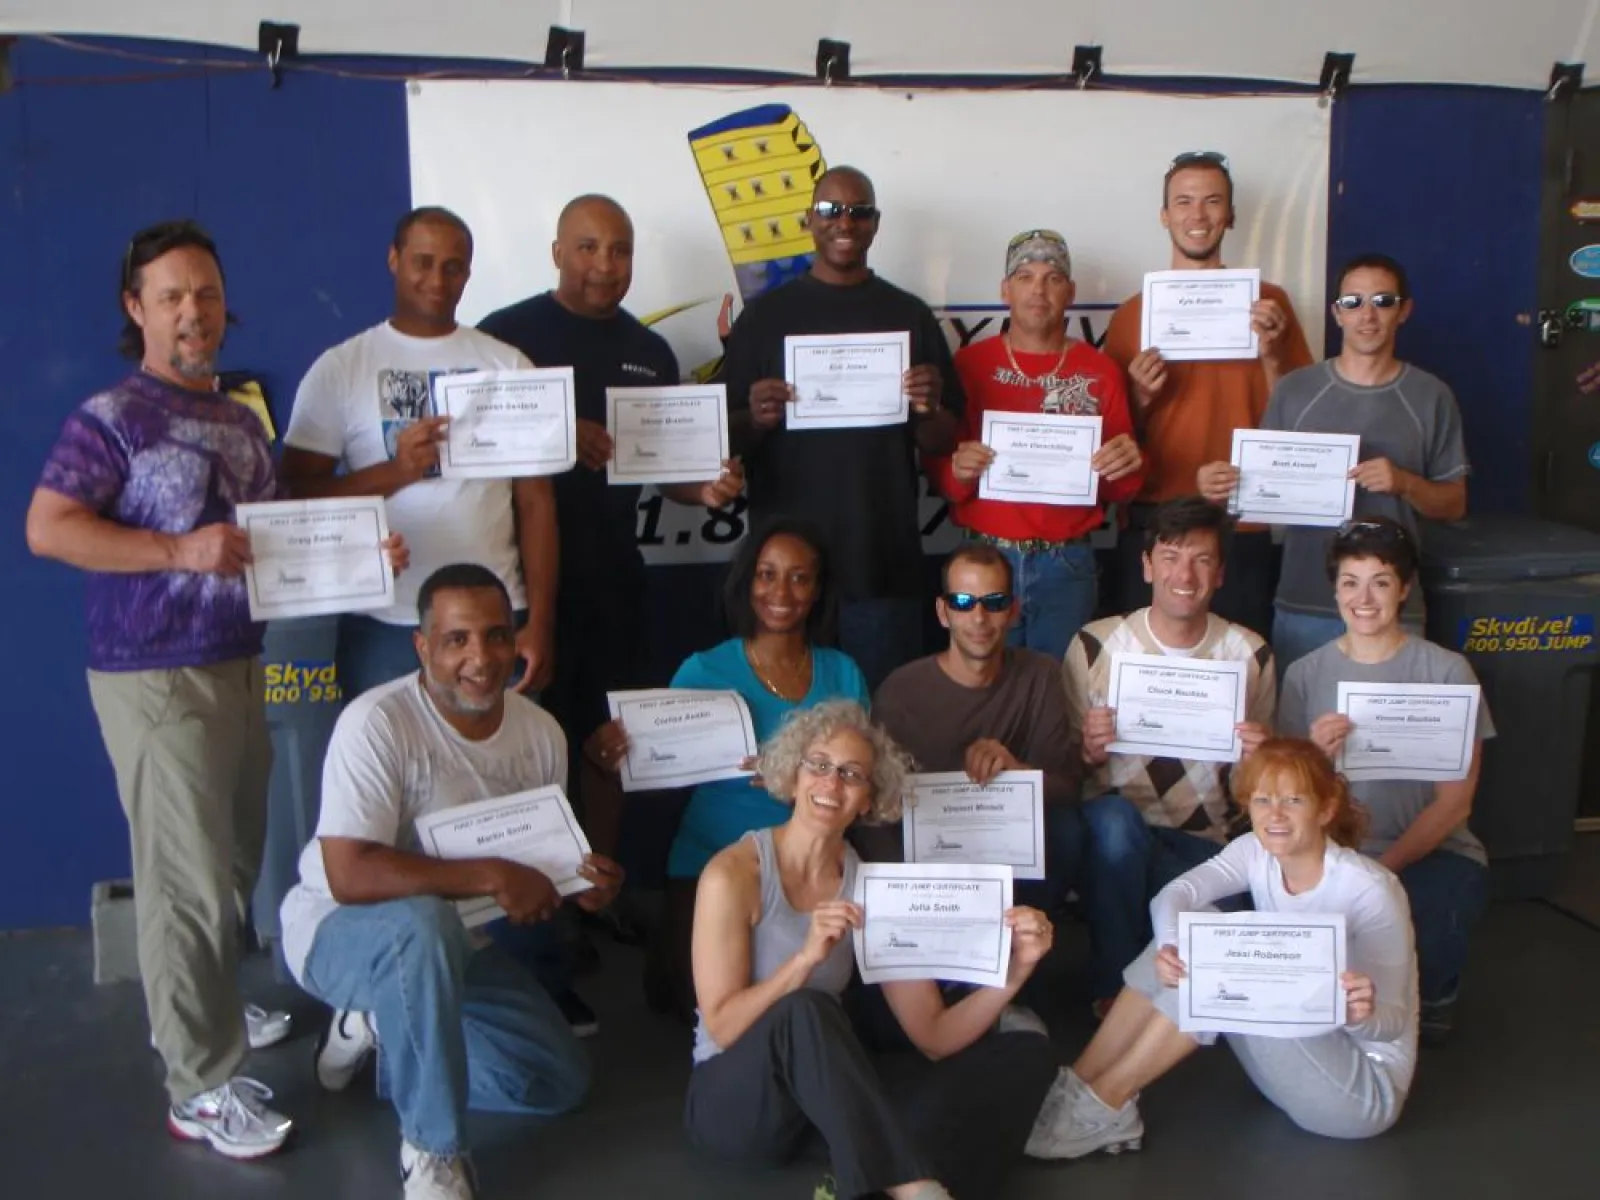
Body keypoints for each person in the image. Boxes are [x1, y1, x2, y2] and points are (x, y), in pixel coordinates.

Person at [23, 219, 389, 1158]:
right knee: (185, 881)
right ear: (136, 308)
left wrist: (358, 558)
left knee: (227, 863)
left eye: (209, 295)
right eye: (174, 296)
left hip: (237, 663)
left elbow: (271, 541)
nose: (195, 313)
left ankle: (194, 1009)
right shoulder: (112, 416)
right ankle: (200, 1083)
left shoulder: (237, 420)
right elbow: (49, 528)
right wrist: (175, 550)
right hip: (153, 674)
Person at [278, 564, 623, 1200]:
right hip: (337, 932)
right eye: (456, 640)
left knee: (556, 1079)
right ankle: (432, 1149)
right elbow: (348, 873)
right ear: (422, 646)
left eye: (496, 636)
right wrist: (493, 877)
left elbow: (539, 855)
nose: (481, 659)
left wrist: (583, 885)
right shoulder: (376, 724)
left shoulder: (540, 732)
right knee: (421, 921)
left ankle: (386, 1032)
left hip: (458, 945)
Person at [686, 700, 1058, 1199]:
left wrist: (1014, 972)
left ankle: (903, 1184)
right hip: (734, 1110)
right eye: (817, 765)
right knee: (806, 1009)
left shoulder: (869, 885)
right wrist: (805, 961)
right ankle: (913, 1188)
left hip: (816, 1109)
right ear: (792, 777)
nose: (830, 783)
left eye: (851, 774)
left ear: (868, 800)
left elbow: (934, 1035)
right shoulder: (733, 874)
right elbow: (723, 1026)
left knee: (1026, 1052)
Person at [477, 194, 745, 863]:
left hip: (612, 579)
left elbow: (667, 472)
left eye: (619, 249)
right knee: (520, 744)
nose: (605, 264)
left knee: (609, 739)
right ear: (558, 253)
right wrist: (558, 433)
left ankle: (601, 885)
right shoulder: (503, 336)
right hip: (512, 582)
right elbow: (467, 441)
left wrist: (706, 488)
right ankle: (535, 894)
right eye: (589, 247)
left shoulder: (647, 351)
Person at [1025, 738, 1417, 1160]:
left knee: (1216, 960)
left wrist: (1361, 1015)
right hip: (1295, 1050)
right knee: (1194, 935)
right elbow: (1174, 896)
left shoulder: (1370, 889)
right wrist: (1174, 947)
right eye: (1263, 800)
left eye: (1293, 800)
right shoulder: (1255, 851)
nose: (1276, 815)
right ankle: (1081, 1084)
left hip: (1360, 1091)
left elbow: (1392, 1024)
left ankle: (1107, 1103)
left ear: (1324, 809)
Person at [586, 518, 867, 1019]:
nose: (781, 591)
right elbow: (653, 765)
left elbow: (865, 776)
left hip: (813, 866)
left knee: (817, 1005)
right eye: (767, 574)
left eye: (800, 577)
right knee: (697, 1007)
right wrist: (614, 753)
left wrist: (793, 778)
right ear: (746, 582)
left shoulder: (842, 672)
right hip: (713, 859)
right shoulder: (704, 670)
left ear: (818, 590)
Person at [280, 206, 558, 701]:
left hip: (494, 617)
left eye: (453, 266)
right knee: (387, 776)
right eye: (423, 262)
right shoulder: (342, 367)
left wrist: (539, 621)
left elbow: (536, 504)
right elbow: (296, 498)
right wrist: (398, 471)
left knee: (500, 773)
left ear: (469, 273)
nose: (437, 278)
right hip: (384, 619)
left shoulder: (508, 364)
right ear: (394, 259)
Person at [722, 165, 964, 689]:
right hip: (784, 579)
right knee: (787, 735)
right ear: (809, 219)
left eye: (859, 212)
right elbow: (724, 437)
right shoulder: (764, 319)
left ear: (875, 224)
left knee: (881, 728)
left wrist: (926, 407)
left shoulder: (910, 315)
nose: (844, 223)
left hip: (882, 566)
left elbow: (944, 440)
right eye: (831, 210)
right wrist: (756, 420)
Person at [1198, 253, 1469, 670]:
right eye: (1353, 302)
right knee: (1301, 731)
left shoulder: (1432, 397)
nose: (1368, 315)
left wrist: (1404, 483)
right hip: (1304, 602)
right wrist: (1220, 486)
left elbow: (1454, 504)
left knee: (1389, 731)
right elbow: (1260, 494)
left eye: (1383, 301)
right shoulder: (1294, 390)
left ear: (1404, 310)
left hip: (1392, 606)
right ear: (1336, 313)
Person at [1277, 517, 1491, 1043]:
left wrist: (1383, 871)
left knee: (1434, 919)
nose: (1364, 598)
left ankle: (1437, 992)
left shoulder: (1448, 672)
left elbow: (1456, 804)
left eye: (1380, 581)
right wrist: (1314, 758)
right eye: (1350, 582)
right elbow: (1283, 799)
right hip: (1333, 852)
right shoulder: (1305, 673)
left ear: (1405, 588)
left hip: (1430, 851)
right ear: (1335, 589)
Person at [1063, 496, 1275, 1014]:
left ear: (1220, 573)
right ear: (1146, 564)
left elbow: (1262, 792)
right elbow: (1064, 771)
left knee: (1230, 932)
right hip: (1115, 835)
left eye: (1201, 559)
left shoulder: (1250, 654)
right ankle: (1112, 984)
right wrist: (1086, 751)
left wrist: (1260, 759)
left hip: (1200, 840)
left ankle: (1149, 954)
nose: (1185, 573)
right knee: (1113, 827)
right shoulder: (1094, 645)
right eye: (1171, 555)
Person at [1102, 151, 1313, 638]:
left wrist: (1274, 356)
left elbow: (1300, 424)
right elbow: (1111, 442)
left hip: (1243, 520)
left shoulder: (1270, 305)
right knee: (1148, 675)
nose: (1197, 216)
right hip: (1156, 522)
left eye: (1212, 201)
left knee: (1240, 674)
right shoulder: (1132, 315)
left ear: (1231, 215)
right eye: (1184, 201)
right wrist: (1138, 395)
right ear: (1165, 215)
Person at [937, 229, 1144, 659]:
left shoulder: (1100, 370)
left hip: (1067, 564)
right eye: (1026, 275)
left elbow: (1122, 490)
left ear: (1069, 292)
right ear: (1004, 289)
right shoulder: (969, 366)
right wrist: (956, 471)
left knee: (1062, 695)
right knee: (985, 689)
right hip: (984, 560)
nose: (1038, 289)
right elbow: (938, 470)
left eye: (1052, 278)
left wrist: (1125, 466)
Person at [866, 543, 1085, 914]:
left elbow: (1067, 789)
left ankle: (1024, 942)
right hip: (929, 863)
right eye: (963, 602)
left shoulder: (1041, 673)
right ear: (943, 612)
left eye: (994, 602)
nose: (979, 618)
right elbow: (874, 810)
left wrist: (1015, 772)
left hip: (1009, 855)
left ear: (1014, 611)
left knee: (1068, 831)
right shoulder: (900, 690)